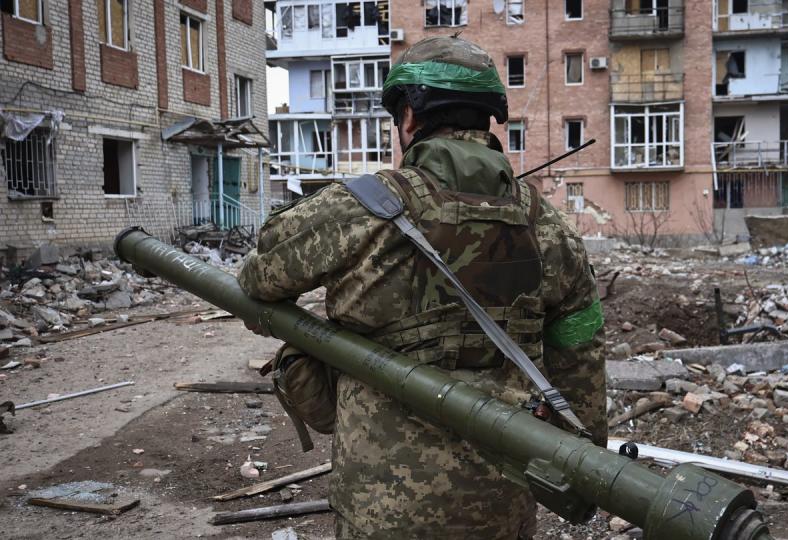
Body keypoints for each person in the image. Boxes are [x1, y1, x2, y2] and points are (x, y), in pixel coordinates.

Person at [238, 36, 606, 540]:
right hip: (503, 500)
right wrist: (584, 469)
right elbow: (581, 355)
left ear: (409, 117)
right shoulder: (549, 226)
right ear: (486, 119)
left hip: (383, 503)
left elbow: (260, 277)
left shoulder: (360, 209)